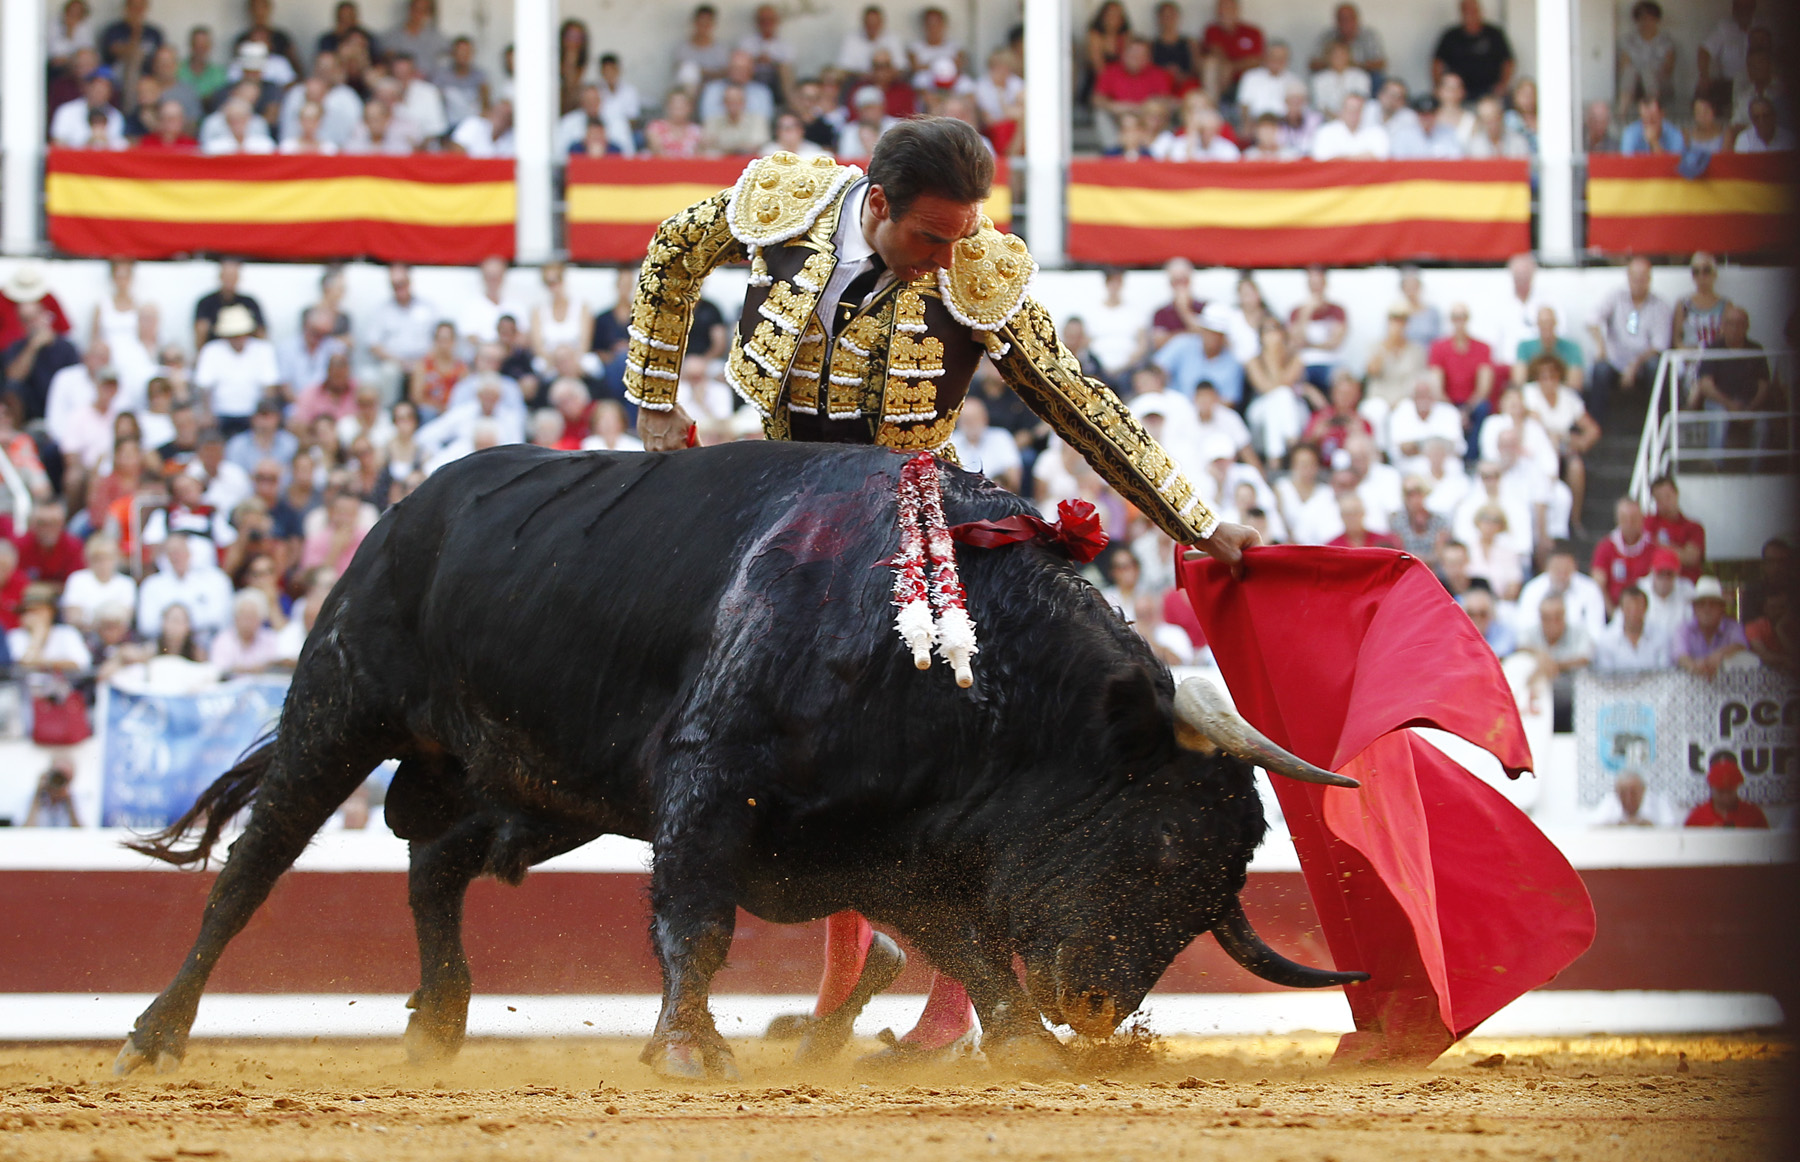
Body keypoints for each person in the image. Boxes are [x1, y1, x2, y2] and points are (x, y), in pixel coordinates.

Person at [625, 117, 1255, 1061]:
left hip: (903, 516)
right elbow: (675, 253)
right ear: (874, 206)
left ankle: (952, 1003)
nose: (948, 259)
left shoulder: (976, 267)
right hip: (783, 502)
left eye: (963, 236)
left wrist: (1195, 523)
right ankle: (854, 962)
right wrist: (655, 394)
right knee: (779, 740)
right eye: (930, 237)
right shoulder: (787, 207)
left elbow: (1077, 401)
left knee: (938, 745)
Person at [1586, 255, 1672, 424]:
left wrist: (1634, 366)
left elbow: (1659, 345)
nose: (1638, 283)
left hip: (1642, 365)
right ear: (1628, 278)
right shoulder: (1616, 297)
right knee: (1599, 369)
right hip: (1616, 362)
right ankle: (1596, 428)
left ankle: (1660, 424)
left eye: (1642, 279)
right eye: (1634, 278)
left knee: (1656, 367)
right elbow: (1592, 320)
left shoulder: (1660, 306)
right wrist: (1601, 347)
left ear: (1649, 279)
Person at [1689, 303, 1772, 455]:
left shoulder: (1756, 349)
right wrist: (1730, 405)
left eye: (1740, 324)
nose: (1735, 328)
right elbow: (1705, 384)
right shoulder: (1713, 348)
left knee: (1763, 426)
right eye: (1730, 323)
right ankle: (1715, 466)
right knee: (1718, 414)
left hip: (1749, 405)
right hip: (1719, 403)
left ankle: (1756, 473)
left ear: (1747, 326)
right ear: (1723, 326)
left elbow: (1764, 385)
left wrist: (1751, 408)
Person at [1518, 541, 1607, 640]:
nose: (1561, 574)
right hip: (1541, 649)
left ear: (1575, 567)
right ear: (1547, 567)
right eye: (1557, 569)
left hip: (1580, 650)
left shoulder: (1590, 589)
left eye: (1566, 569)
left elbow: (1596, 631)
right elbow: (1525, 629)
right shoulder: (1532, 589)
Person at [1432, 0, 1513, 99]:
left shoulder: (1494, 34)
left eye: (1473, 10)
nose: (1470, 14)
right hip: (1458, 92)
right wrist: (1438, 86)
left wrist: (1503, 84)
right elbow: (1437, 63)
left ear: (1480, 11)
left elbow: (1507, 62)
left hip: (1490, 91)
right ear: (1461, 13)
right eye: (1466, 11)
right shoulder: (1450, 36)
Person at [1674, 575, 1748, 678]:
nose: (1707, 609)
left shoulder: (1732, 627)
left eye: (1712, 604)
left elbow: (1741, 646)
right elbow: (1680, 656)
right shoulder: (1684, 629)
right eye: (1702, 604)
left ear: (1722, 608)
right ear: (1694, 608)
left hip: (1728, 682)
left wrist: (1720, 655)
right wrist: (1693, 667)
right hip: (1692, 683)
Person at [1615, 0, 1675, 117]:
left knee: (1648, 73)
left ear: (1657, 20)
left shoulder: (1666, 41)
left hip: (1660, 84)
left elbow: (1668, 69)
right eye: (1642, 18)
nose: (1646, 22)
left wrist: (1648, 74)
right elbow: (1624, 66)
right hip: (1634, 84)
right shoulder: (1629, 40)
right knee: (1630, 71)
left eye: (1650, 18)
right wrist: (1640, 75)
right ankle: (1622, 114)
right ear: (1637, 20)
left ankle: (1653, 113)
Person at [1594, 585, 1670, 673]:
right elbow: (1605, 676)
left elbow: (1664, 673)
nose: (1633, 612)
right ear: (1621, 609)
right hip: (1617, 685)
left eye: (1638, 607)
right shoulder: (1607, 638)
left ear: (1645, 609)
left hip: (1653, 685)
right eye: (1629, 607)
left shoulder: (1660, 636)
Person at [1644, 474, 1705, 579]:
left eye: (1668, 496)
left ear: (1676, 494)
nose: (1664, 502)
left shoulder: (1694, 528)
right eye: (1659, 499)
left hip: (1687, 585)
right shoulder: (1647, 523)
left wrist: (1659, 547)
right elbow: (1642, 553)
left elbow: (1690, 558)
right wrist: (1679, 551)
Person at [1685, 756, 1768, 829]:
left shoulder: (1754, 815)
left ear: (1737, 787)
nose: (1726, 796)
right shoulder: (1697, 817)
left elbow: (1767, 844)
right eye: (1720, 791)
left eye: (1730, 791)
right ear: (1711, 787)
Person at [1311, 4, 1385, 79]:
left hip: (1363, 75)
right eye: (1341, 19)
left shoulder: (1369, 36)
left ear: (1356, 19)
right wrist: (1334, 65)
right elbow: (1313, 64)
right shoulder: (1327, 37)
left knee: (1377, 77)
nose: (1345, 22)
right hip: (1332, 75)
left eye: (1349, 18)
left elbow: (1380, 63)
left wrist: (1354, 67)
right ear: (1336, 21)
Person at [1309, 91, 1387, 159]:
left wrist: (1341, 157)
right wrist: (1364, 156)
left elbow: (1381, 157)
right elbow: (1321, 159)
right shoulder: (1325, 132)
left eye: (1357, 109)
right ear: (1341, 110)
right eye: (1350, 109)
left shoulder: (1377, 132)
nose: (1353, 113)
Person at [1589, 771, 1679, 827]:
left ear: (1643, 791)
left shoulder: (1659, 803)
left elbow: (1672, 829)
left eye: (1633, 793)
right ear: (1616, 792)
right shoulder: (1609, 802)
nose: (1628, 798)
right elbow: (1593, 828)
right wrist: (1616, 826)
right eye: (1623, 793)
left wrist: (1649, 826)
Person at [25, 757, 82, 827]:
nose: (59, 781)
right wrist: (37, 794)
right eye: (57, 776)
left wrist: (69, 802)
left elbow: (82, 833)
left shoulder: (78, 799)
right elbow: (24, 831)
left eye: (64, 778)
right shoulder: (31, 798)